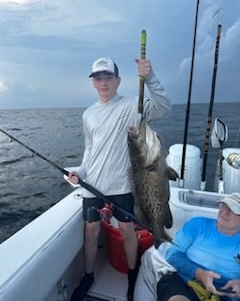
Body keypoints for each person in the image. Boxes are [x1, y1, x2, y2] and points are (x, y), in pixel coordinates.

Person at [68, 56, 171, 301]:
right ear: (93, 83)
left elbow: (164, 107)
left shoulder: (131, 105)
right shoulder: (88, 114)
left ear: (118, 80)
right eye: (98, 78)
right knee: (91, 231)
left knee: (127, 232)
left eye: (108, 77)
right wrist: (80, 173)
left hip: (122, 186)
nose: (103, 82)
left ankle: (133, 275)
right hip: (93, 185)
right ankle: (89, 275)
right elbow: (89, 150)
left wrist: (150, 78)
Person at [156, 192, 240, 301]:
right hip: (185, 281)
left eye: (232, 210)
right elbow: (172, 254)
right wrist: (200, 274)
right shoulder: (197, 225)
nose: (224, 212)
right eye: (223, 205)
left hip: (225, 292)